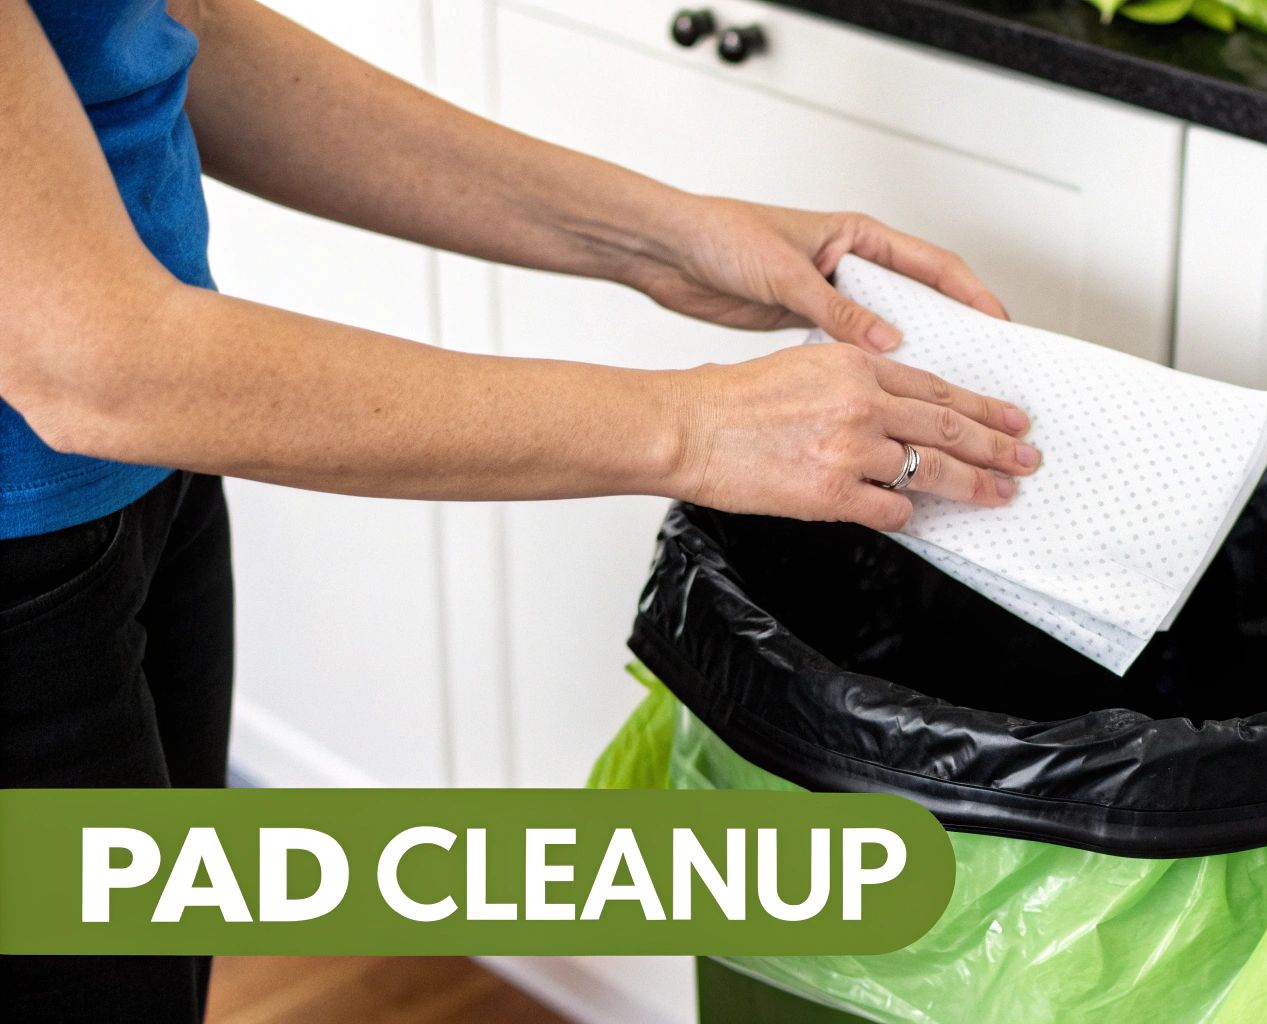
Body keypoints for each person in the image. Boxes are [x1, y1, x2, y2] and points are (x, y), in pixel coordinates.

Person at [0, 1, 1041, 1019]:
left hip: (145, 488)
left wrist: (666, 240)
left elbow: (171, 24)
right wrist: (698, 426)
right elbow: (97, 364)